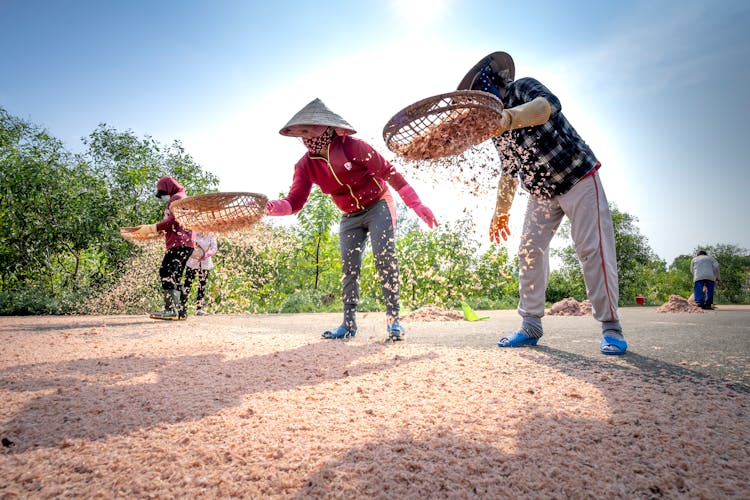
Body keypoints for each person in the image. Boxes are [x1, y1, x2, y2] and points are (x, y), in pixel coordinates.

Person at [457, 51, 627, 355]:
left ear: (491, 85)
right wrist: (501, 212)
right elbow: (509, 171)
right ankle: (531, 325)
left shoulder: (523, 88)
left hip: (577, 176)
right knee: (529, 251)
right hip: (541, 193)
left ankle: (611, 327)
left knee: (592, 249)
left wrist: (509, 118)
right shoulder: (495, 132)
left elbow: (546, 107)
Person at [265, 98, 438, 340]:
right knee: (350, 268)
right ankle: (348, 324)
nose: (307, 139)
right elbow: (294, 202)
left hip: (379, 205)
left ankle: (394, 321)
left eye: (311, 131)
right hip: (349, 216)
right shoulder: (304, 166)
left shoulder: (354, 147)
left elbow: (390, 173)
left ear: (328, 128)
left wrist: (416, 203)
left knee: (384, 258)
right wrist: (268, 207)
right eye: (302, 134)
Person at [130, 175, 194, 320]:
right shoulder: (181, 197)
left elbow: (173, 221)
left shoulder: (177, 198)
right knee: (176, 275)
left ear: (168, 187)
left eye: (163, 192)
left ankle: (170, 309)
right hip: (186, 242)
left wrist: (153, 227)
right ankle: (181, 311)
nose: (163, 196)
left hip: (179, 242)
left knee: (166, 271)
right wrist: (156, 230)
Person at [182, 231, 218, 316]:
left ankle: (199, 308)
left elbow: (214, 248)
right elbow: (187, 243)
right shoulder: (193, 232)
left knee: (202, 285)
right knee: (187, 284)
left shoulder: (211, 234)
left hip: (205, 262)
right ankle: (182, 307)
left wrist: (206, 255)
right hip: (192, 261)